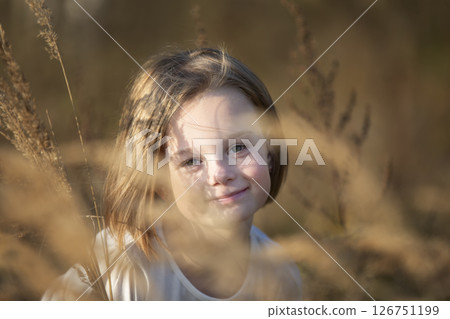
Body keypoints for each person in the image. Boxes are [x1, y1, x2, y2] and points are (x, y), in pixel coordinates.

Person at [42, 48, 301, 301]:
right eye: (191, 161)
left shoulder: (280, 275)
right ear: (158, 182)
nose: (220, 174)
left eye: (238, 147)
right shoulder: (120, 268)